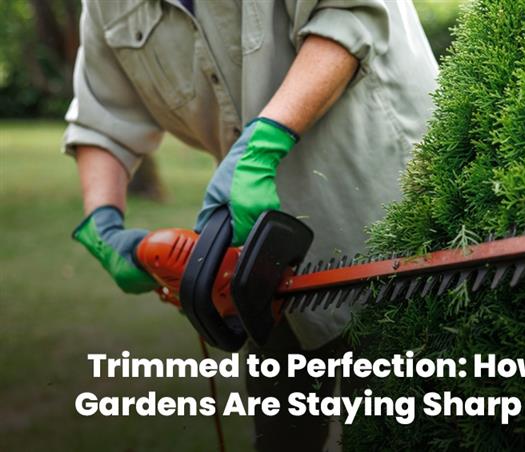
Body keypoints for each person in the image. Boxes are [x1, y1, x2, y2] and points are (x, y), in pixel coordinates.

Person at [64, 0, 438, 449]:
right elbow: (102, 121)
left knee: (401, 433)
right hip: (260, 255)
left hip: (388, 211)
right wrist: (102, 223)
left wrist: (263, 142)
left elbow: (350, 13)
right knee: (282, 437)